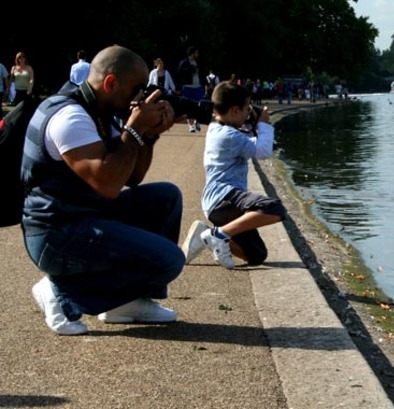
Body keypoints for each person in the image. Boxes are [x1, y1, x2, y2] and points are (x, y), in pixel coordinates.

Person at [22, 45, 185, 335]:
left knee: (165, 199)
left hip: (84, 217)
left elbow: (132, 176)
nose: (140, 98)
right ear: (110, 84)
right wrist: (134, 128)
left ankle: (126, 302)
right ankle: (60, 292)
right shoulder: (69, 117)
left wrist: (148, 135)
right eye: (136, 89)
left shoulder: (100, 109)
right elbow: (109, 185)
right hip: (55, 234)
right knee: (170, 259)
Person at [182, 81, 286, 269]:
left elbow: (252, 143)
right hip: (225, 198)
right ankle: (218, 235)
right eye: (246, 109)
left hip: (218, 203)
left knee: (256, 255)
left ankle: (207, 234)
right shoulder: (229, 135)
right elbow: (263, 151)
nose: (248, 113)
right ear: (234, 111)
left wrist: (254, 123)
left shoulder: (218, 129)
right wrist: (262, 123)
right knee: (274, 208)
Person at [177, 45, 204, 132]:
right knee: (189, 106)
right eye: (196, 53)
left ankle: (197, 121)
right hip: (188, 87)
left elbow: (203, 74)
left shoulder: (199, 62)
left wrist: (206, 84)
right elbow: (179, 75)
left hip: (198, 87)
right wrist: (178, 88)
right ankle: (191, 125)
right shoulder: (184, 63)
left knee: (199, 105)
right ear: (192, 53)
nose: (198, 54)